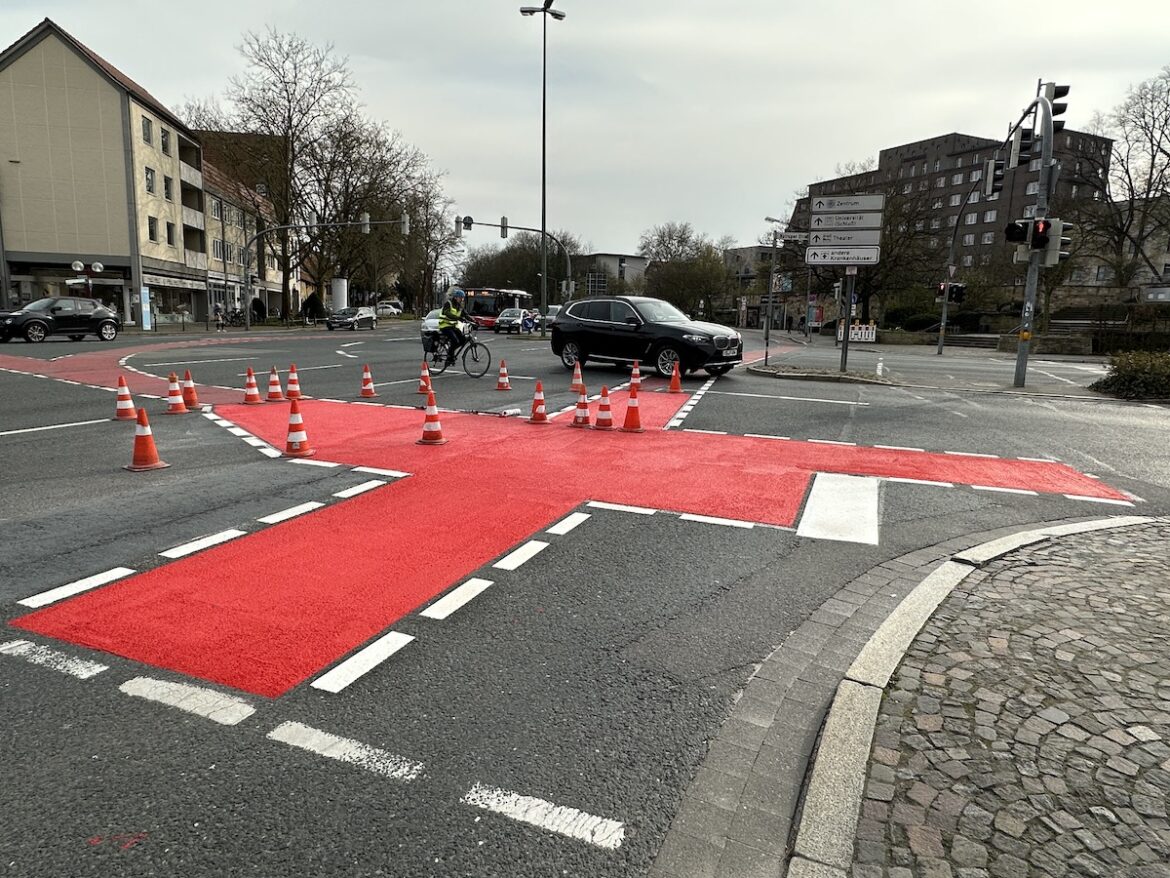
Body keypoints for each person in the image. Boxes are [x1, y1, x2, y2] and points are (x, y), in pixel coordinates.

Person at [439, 289, 470, 365]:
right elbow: (447, 313)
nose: (462, 299)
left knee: (463, 340)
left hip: (452, 326)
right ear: (456, 297)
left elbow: (466, 314)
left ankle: (451, 351)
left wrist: (474, 321)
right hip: (445, 326)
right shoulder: (448, 303)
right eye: (460, 298)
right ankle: (449, 357)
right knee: (455, 341)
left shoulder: (459, 306)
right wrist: (457, 318)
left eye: (463, 298)